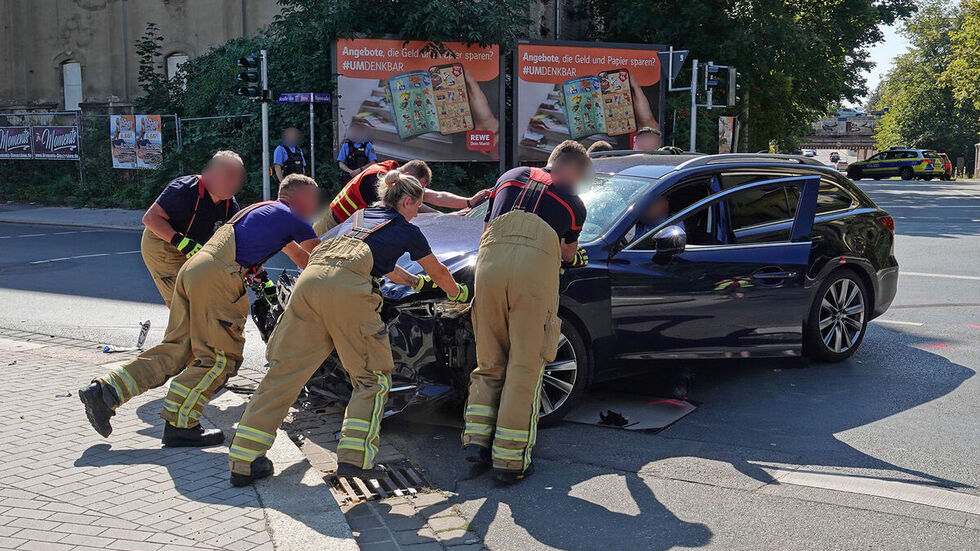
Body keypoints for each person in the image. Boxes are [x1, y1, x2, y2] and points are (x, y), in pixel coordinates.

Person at [227, 170, 471, 486]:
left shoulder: (360, 216)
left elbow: (370, 261)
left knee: (284, 373)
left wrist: (412, 281)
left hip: (311, 283)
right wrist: (458, 292)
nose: (417, 213)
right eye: (417, 206)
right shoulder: (407, 231)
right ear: (408, 201)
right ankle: (355, 460)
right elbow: (438, 271)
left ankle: (244, 460)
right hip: (348, 292)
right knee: (372, 378)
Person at [79, 175, 322, 447]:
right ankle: (181, 423)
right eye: (314, 200)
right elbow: (320, 258)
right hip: (216, 280)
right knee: (220, 357)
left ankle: (105, 392)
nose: (316, 207)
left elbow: (298, 255)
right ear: (300, 198)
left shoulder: (263, 209)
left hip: (194, 270)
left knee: (179, 348)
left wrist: (266, 284)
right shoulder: (291, 216)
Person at [462, 140, 590, 484]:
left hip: (488, 268)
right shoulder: (574, 204)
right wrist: (576, 258)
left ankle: (476, 442)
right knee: (524, 365)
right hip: (532, 276)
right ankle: (510, 462)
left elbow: (487, 229)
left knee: (489, 359)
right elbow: (567, 255)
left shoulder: (510, 176)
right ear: (573, 170)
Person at [140, 151, 244, 308]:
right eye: (229, 176)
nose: (234, 183)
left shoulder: (229, 204)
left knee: (212, 294)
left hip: (193, 248)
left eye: (237, 177)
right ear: (211, 174)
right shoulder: (185, 189)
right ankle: (181, 331)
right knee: (185, 303)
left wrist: (260, 275)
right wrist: (179, 242)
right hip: (164, 243)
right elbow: (150, 218)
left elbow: (239, 240)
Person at [312, 159, 490, 235]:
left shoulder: (392, 173)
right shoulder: (378, 180)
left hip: (341, 227)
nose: (418, 193)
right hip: (330, 228)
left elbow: (434, 196)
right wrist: (443, 218)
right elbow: (409, 208)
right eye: (419, 187)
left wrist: (468, 201)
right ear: (412, 177)